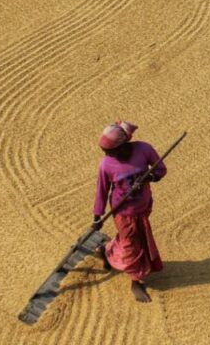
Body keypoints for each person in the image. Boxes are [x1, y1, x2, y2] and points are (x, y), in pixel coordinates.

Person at [91, 121, 166, 302]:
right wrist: (97, 215)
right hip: (123, 212)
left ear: (124, 145)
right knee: (132, 244)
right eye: (105, 152)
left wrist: (151, 176)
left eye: (111, 151)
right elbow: (102, 190)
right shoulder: (106, 165)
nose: (108, 155)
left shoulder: (144, 150)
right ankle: (136, 280)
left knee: (135, 238)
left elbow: (161, 169)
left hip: (144, 206)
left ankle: (106, 251)